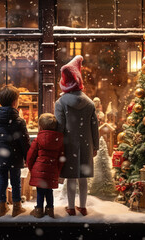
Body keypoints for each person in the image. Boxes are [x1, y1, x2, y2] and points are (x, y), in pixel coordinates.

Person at [54, 55, 99, 216]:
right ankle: (83, 207)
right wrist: (96, 146)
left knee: (71, 177)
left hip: (68, 145)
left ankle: (71, 207)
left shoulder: (61, 103)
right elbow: (95, 127)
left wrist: (57, 146)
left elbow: (59, 128)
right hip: (86, 144)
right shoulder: (90, 103)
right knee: (83, 177)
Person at [0, 85, 30, 217]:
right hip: (15, 156)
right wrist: (27, 157)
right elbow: (24, 142)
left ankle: (2, 207)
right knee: (16, 181)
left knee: (2, 180)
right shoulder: (19, 122)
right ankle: (17, 207)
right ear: (14, 102)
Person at [26, 113, 64, 218]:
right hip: (52, 170)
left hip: (39, 168)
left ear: (40, 127)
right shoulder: (59, 141)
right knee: (49, 191)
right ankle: (50, 210)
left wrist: (32, 168)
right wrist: (57, 170)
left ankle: (39, 210)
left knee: (40, 191)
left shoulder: (38, 139)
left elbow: (30, 156)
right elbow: (61, 159)